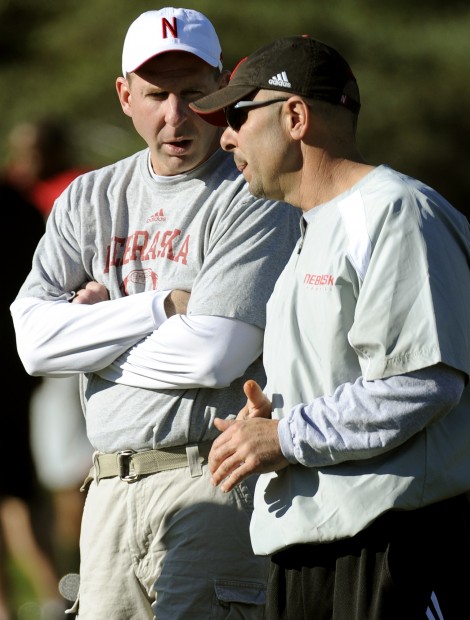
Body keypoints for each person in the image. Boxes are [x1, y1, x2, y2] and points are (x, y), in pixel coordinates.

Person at [10, 8, 300, 620]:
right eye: (156, 94)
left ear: (222, 89)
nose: (175, 115)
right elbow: (32, 345)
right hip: (108, 488)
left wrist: (91, 332)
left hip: (212, 480)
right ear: (124, 96)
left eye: (194, 93)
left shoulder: (252, 191)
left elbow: (213, 353)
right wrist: (160, 307)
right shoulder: (89, 196)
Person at [190, 35, 470, 619]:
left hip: (393, 548)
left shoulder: (395, 211)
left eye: (239, 115)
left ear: (295, 116)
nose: (226, 136)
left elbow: (423, 381)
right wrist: (266, 422)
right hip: (311, 552)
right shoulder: (311, 229)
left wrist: (284, 437)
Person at [5, 118, 94, 581]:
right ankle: (69, 575)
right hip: (44, 353)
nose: (24, 160)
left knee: (67, 469)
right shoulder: (23, 191)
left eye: (32, 149)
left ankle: (75, 572)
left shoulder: (72, 189)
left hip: (71, 345)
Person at [0, 179, 65, 620]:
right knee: (21, 494)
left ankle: (49, 601)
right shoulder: (17, 205)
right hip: (14, 376)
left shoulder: (13, 206)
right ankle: (52, 600)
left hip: (10, 376)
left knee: (18, 496)